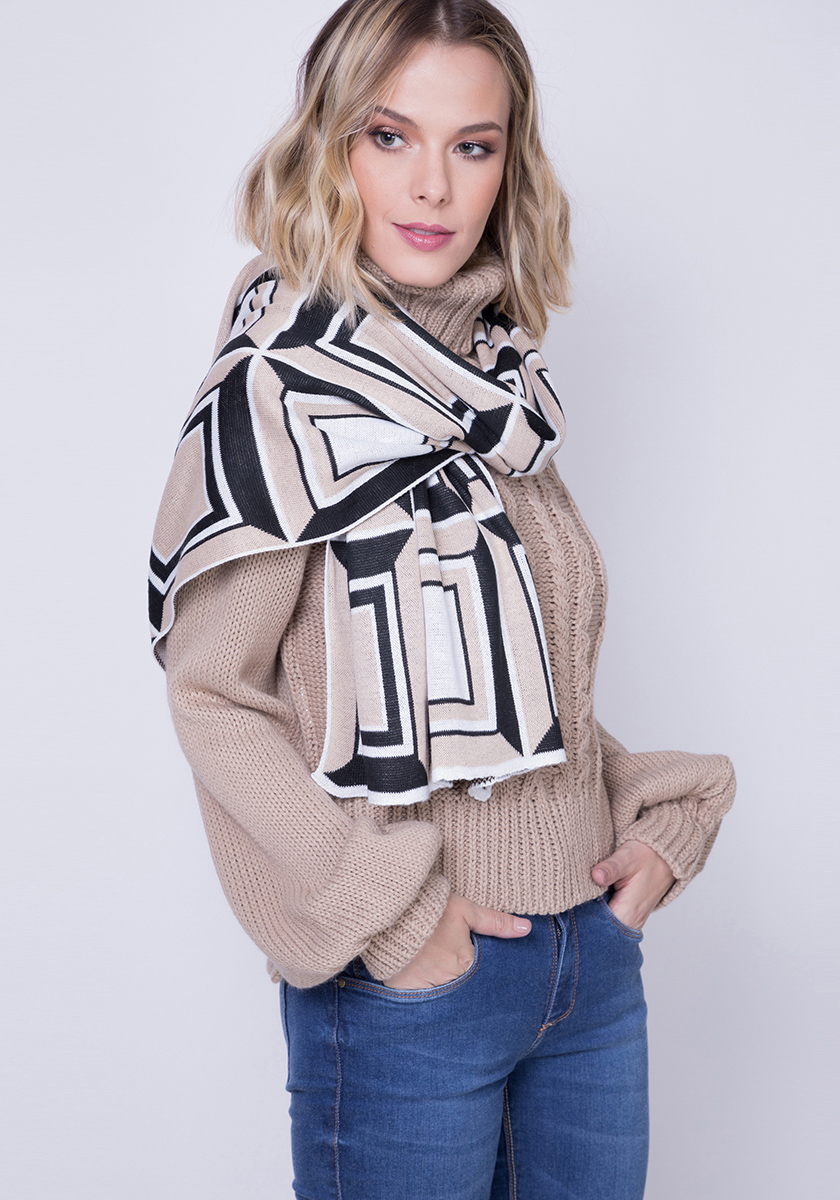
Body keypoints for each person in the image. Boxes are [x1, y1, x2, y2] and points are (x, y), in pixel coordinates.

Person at [148, 1, 735, 1196]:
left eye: (473, 145)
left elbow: (523, 690)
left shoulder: (497, 391)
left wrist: (661, 823)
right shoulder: (282, 389)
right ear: (329, 145)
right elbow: (214, 694)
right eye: (389, 135)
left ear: (509, 165)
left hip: (588, 981)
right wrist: (398, 916)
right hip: (408, 994)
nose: (432, 185)